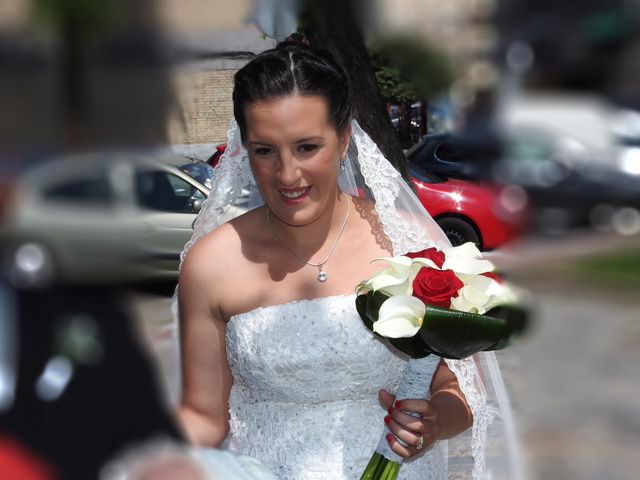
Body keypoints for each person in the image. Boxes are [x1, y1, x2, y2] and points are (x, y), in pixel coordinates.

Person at [175, 42, 517, 479]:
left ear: (344, 140)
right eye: (265, 150)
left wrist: (432, 422)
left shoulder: (406, 241)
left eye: (306, 147)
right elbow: (203, 417)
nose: (287, 175)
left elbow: (459, 391)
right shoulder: (212, 263)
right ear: (244, 148)